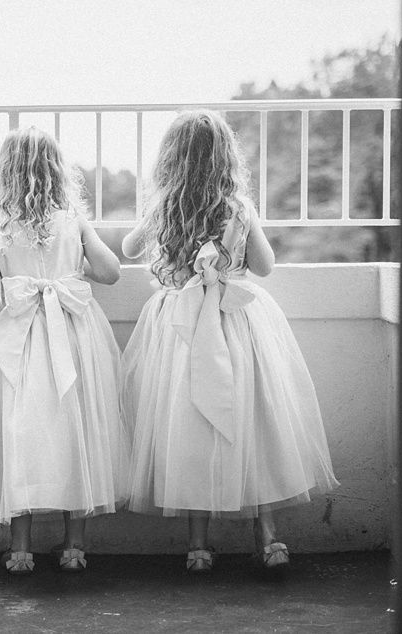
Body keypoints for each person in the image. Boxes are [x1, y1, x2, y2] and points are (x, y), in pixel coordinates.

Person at [119, 110, 339, 574]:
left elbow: (128, 249)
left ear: (170, 159)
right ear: (226, 157)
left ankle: (198, 546)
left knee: (190, 427)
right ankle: (269, 537)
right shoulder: (237, 208)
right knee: (254, 423)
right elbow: (264, 266)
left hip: (180, 325)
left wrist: (160, 208)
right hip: (236, 322)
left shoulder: (163, 207)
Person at [0, 126, 128, 575]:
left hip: (21, 341)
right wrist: (73, 262)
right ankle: (73, 547)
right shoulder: (73, 220)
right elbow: (111, 273)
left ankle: (21, 549)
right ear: (57, 171)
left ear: (4, 174)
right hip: (74, 336)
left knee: (20, 432)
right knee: (77, 431)